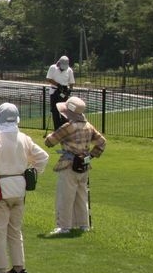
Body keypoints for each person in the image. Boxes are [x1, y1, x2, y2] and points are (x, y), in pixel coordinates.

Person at [0, 102, 48, 273]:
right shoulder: (23, 137)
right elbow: (42, 157)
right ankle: (18, 267)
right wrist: (32, 172)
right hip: (19, 186)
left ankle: (0, 269)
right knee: (15, 229)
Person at [43, 96, 106, 235]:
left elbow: (49, 142)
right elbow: (102, 142)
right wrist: (90, 157)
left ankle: (64, 226)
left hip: (68, 164)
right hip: (84, 164)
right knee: (81, 196)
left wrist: (49, 136)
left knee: (65, 196)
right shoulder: (88, 126)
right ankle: (84, 224)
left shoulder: (68, 127)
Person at [45, 55, 75, 129]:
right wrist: (58, 85)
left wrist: (69, 90)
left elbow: (71, 82)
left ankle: (63, 129)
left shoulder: (69, 70)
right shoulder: (53, 67)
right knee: (55, 111)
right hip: (54, 90)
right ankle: (57, 129)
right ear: (59, 63)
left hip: (64, 92)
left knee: (64, 111)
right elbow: (49, 78)